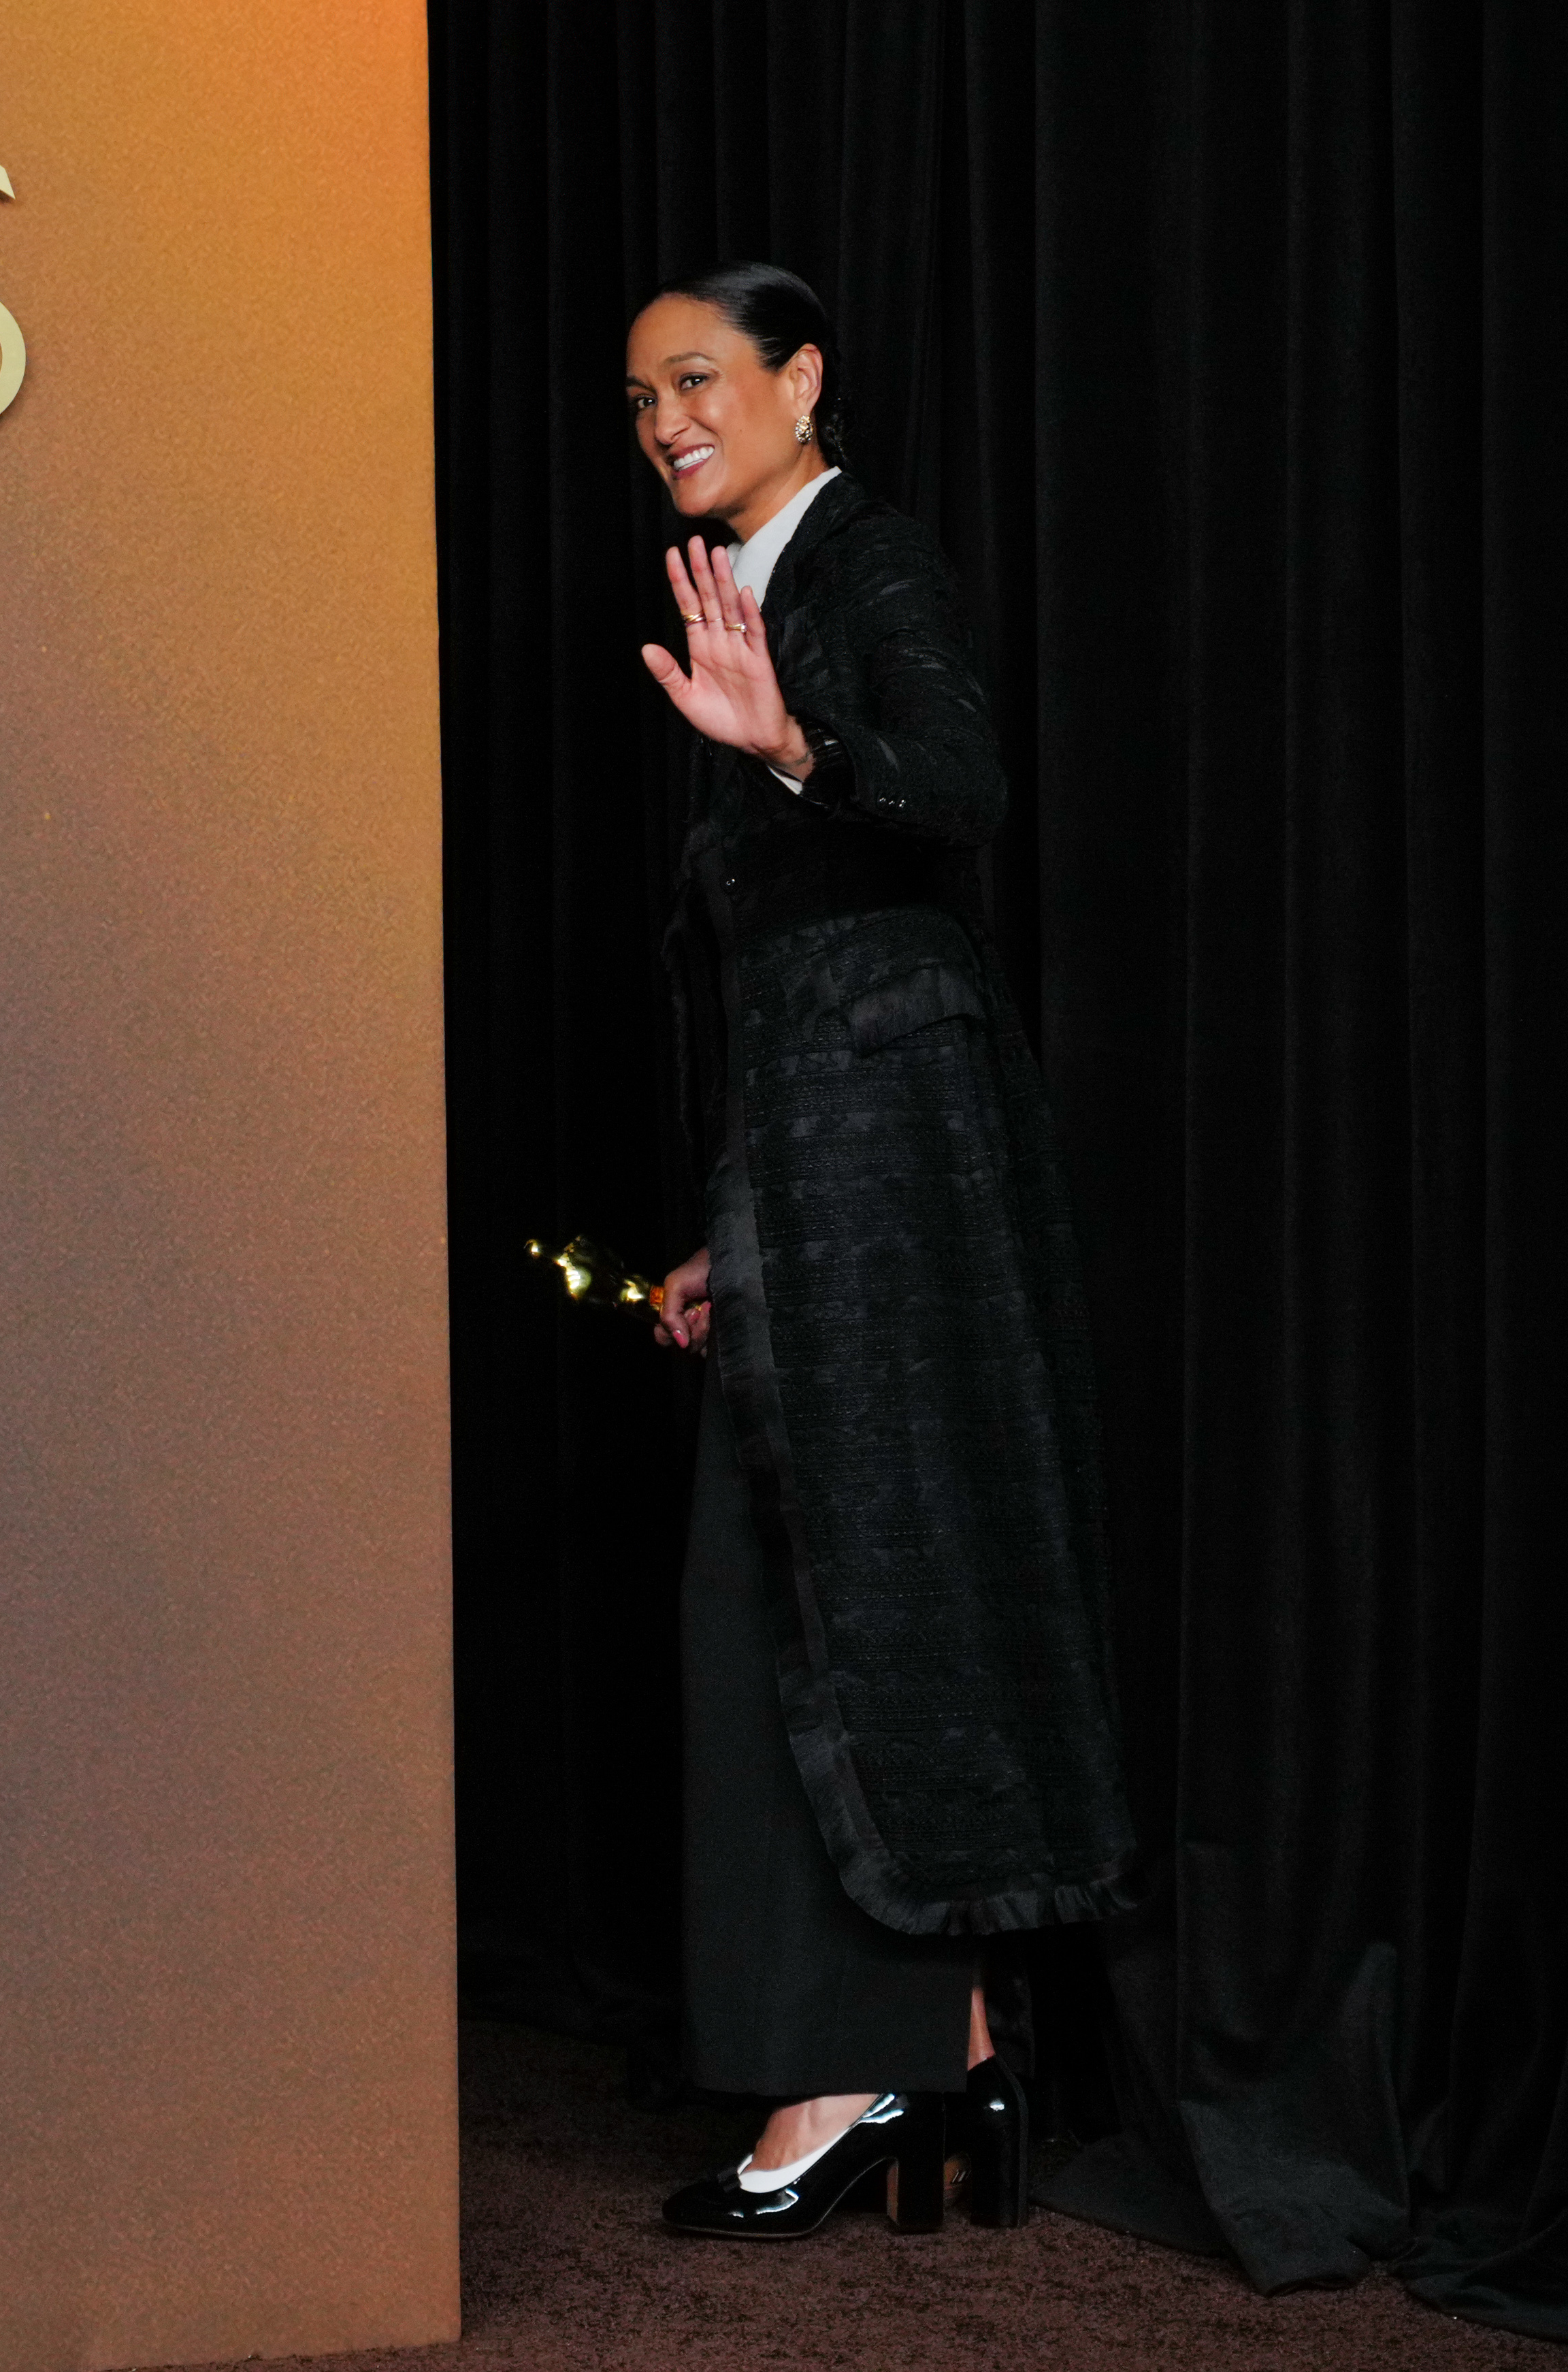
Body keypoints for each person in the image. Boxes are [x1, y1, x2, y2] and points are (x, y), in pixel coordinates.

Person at [622, 262, 1134, 2239]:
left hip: (904, 1172)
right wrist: (726, 1226)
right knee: (806, 1578)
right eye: (641, 394)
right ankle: (954, 2044)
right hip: (828, 1182)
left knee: (850, 1581)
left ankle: (877, 2057)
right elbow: (795, 974)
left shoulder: (869, 565)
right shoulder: (748, 579)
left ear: (799, 378)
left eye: (700, 378)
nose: (667, 416)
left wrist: (793, 744)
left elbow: (960, 797)